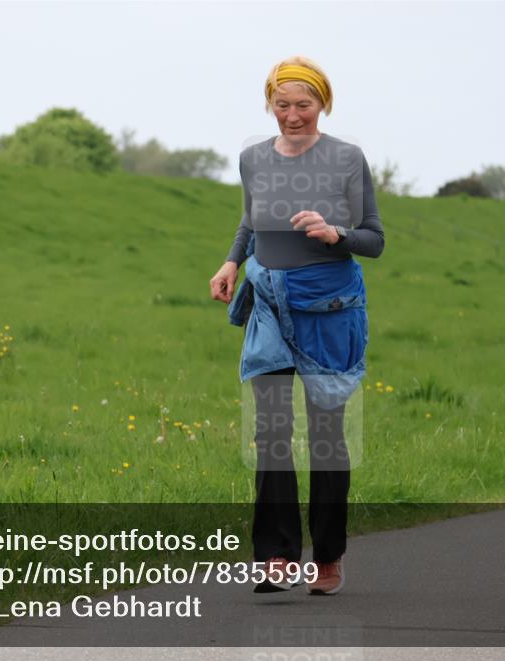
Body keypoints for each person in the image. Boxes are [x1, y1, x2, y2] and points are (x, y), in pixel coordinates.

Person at [209, 56, 384, 596]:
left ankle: (328, 557)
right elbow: (250, 219)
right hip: (268, 307)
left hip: (329, 309)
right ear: (270, 105)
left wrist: (336, 233)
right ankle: (279, 557)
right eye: (281, 105)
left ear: (322, 104)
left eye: (303, 105)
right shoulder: (252, 159)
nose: (292, 115)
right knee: (271, 433)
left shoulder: (346, 159)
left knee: (328, 438)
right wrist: (232, 261)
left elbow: (373, 238)